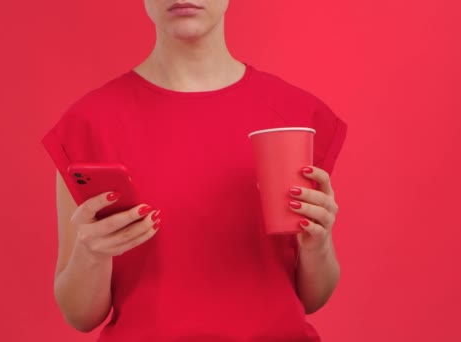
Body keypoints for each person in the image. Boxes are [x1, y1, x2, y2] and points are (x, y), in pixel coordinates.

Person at [41, 1, 348, 341]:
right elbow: (80, 315)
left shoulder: (298, 115)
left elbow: (312, 298)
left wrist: (318, 247)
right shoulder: (89, 124)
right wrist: (92, 254)